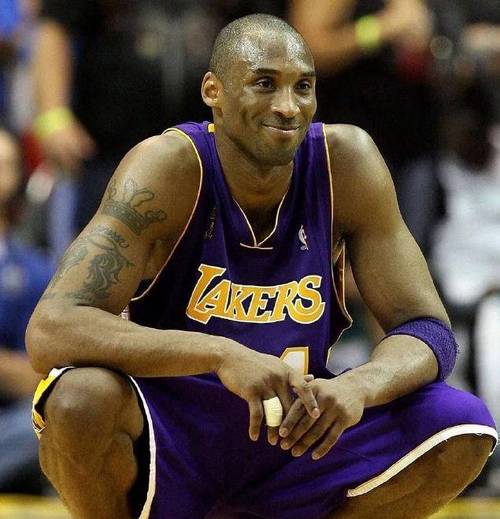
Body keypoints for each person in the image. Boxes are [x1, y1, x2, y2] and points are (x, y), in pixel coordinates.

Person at [26, 14, 496, 519]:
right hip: (172, 432)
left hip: (298, 432)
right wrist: (221, 354)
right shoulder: (168, 167)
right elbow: (52, 327)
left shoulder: (347, 162)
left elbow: (428, 331)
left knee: (462, 424)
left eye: (303, 87)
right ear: (214, 91)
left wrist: (359, 385)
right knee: (78, 399)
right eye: (265, 84)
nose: (288, 106)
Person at [0, 127, 52, 492]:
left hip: (11, 423)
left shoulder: (36, 271)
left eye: (4, 164)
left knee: (51, 416)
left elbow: (40, 380)